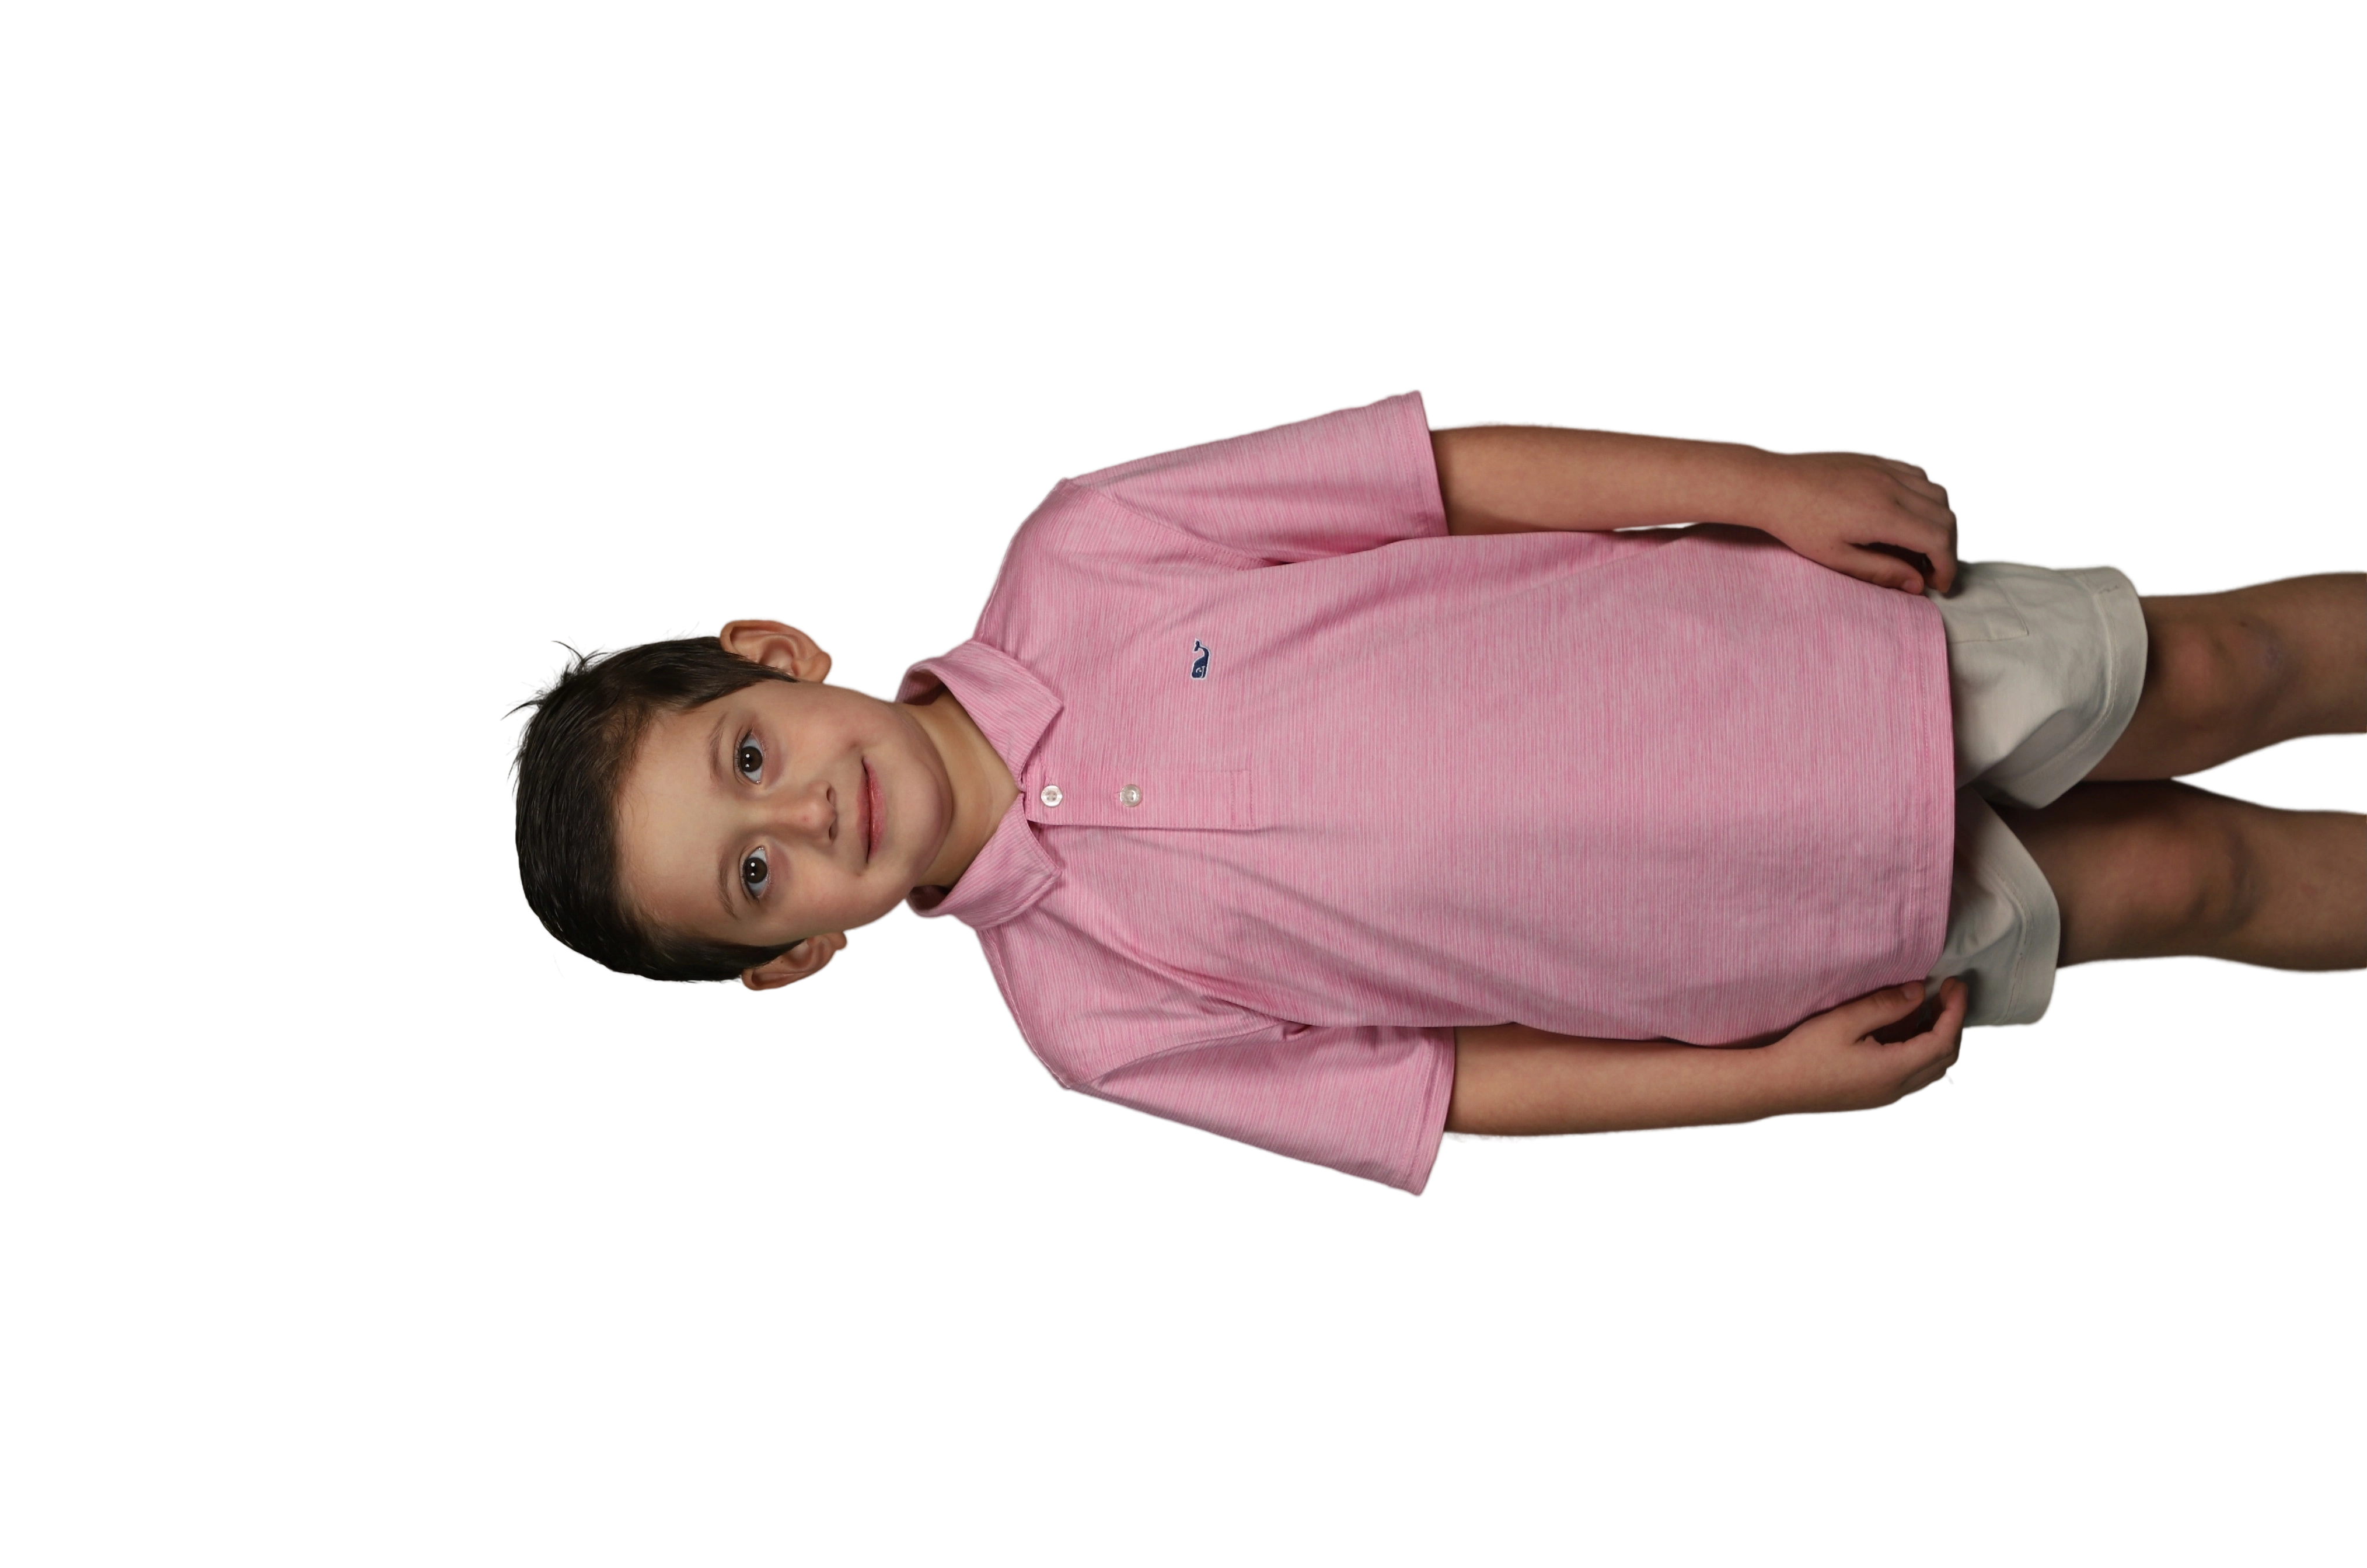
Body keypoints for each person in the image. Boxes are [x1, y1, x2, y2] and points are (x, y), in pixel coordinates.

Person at [497, 390, 2367, 1197]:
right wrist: (1773, 1081)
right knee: (2187, 881)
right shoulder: (1089, 1025)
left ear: (776, 654)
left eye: (749, 763)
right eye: (753, 879)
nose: (804, 822)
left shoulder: (1088, 546)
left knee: (2209, 674)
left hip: (1786, 659)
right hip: (1776, 941)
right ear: (794, 962)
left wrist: (1765, 486)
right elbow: (1450, 1092)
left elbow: (1439, 476)